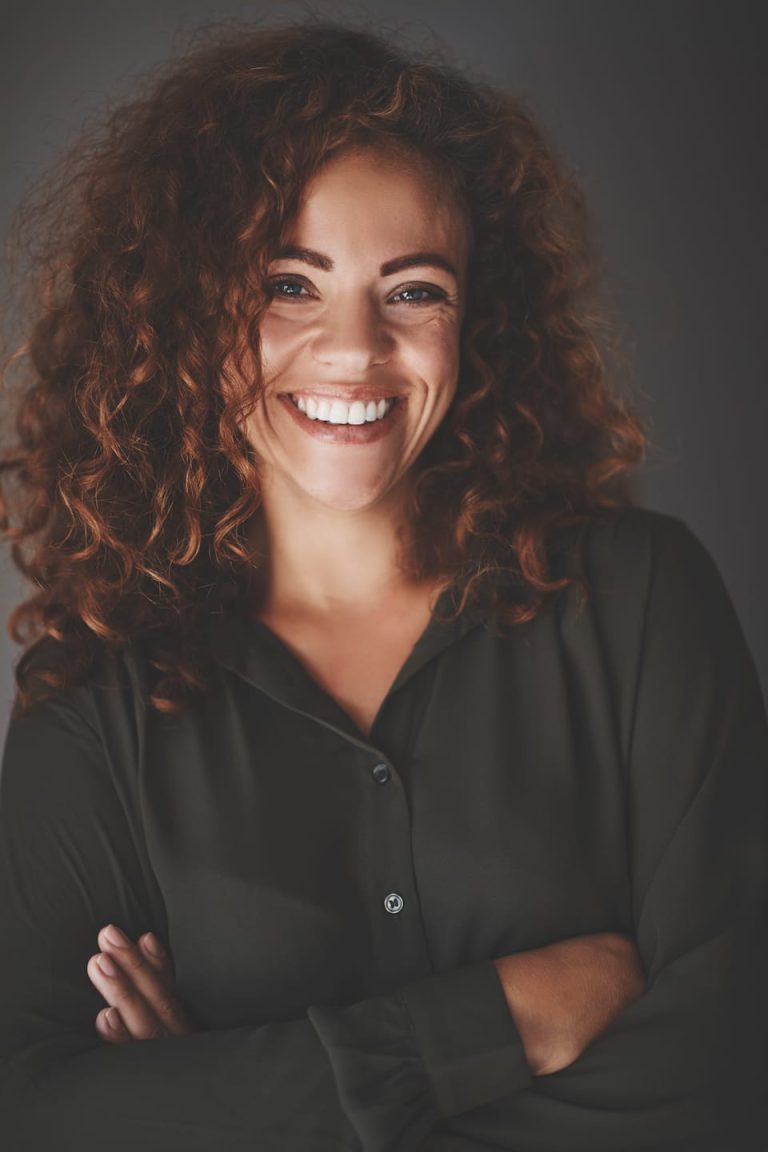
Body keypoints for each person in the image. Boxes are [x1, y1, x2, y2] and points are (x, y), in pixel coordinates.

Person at [0, 17, 766, 1152]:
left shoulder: (641, 602)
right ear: (183, 313)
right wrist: (491, 1023)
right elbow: (34, 1114)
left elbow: (734, 1070)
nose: (355, 347)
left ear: (475, 321)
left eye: (413, 291)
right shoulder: (94, 699)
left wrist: (224, 1105)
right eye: (287, 284)